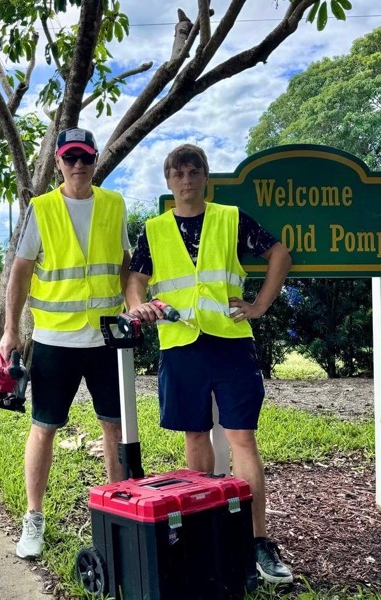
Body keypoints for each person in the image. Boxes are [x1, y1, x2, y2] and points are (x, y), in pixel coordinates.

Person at [125, 143, 294, 584]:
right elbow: (136, 280)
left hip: (230, 342)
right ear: (168, 181)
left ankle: (257, 541)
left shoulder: (230, 218)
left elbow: (280, 254)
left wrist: (259, 305)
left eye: (193, 171)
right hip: (181, 345)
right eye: (177, 173)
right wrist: (138, 305)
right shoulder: (154, 229)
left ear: (205, 177)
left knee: (242, 438)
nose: (186, 180)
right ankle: (201, 529)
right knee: (195, 435)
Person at [0, 127, 130, 560]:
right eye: (70, 158)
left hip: (107, 337)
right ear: (58, 162)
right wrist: (10, 330)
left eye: (85, 158)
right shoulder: (42, 209)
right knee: (44, 428)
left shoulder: (114, 204)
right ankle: (33, 518)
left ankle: (121, 514)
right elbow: (20, 272)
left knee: (116, 426)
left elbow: (127, 267)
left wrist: (134, 308)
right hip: (56, 340)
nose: (78, 166)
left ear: (95, 160)